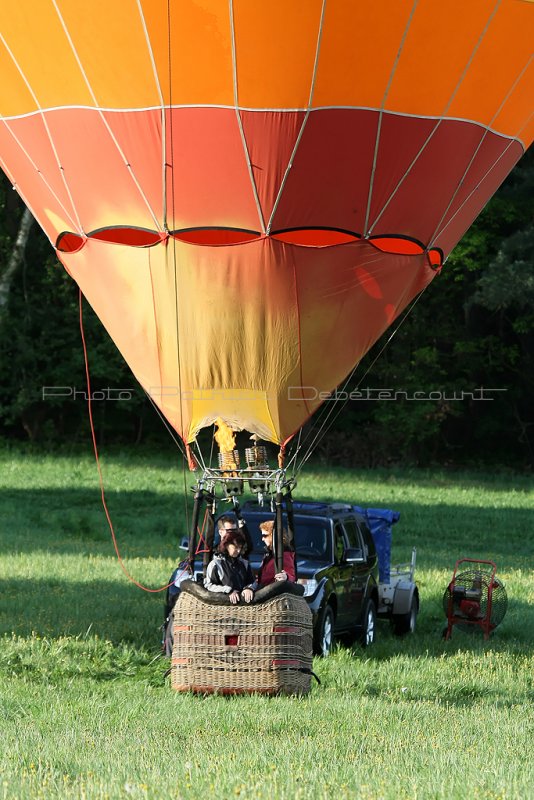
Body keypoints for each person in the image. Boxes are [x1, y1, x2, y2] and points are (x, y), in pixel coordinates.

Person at [204, 529, 255, 604]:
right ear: (226, 545)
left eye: (240, 547)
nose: (238, 551)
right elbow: (209, 585)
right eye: (235, 547)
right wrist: (228, 590)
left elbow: (253, 582)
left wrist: (249, 588)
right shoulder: (215, 564)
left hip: (244, 608)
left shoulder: (245, 564)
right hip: (222, 607)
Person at [256, 520, 296, 587]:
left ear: (274, 536)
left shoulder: (284, 554)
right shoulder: (269, 553)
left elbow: (291, 576)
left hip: (273, 593)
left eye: (264, 535)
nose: (262, 539)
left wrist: (286, 577)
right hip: (264, 589)